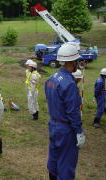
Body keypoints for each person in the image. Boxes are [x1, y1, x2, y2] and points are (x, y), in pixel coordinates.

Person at [45, 44, 86, 180]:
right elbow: (73, 112)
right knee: (67, 164)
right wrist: (79, 131)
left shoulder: (51, 78)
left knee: (54, 159)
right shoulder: (69, 83)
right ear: (73, 62)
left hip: (53, 124)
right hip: (66, 129)